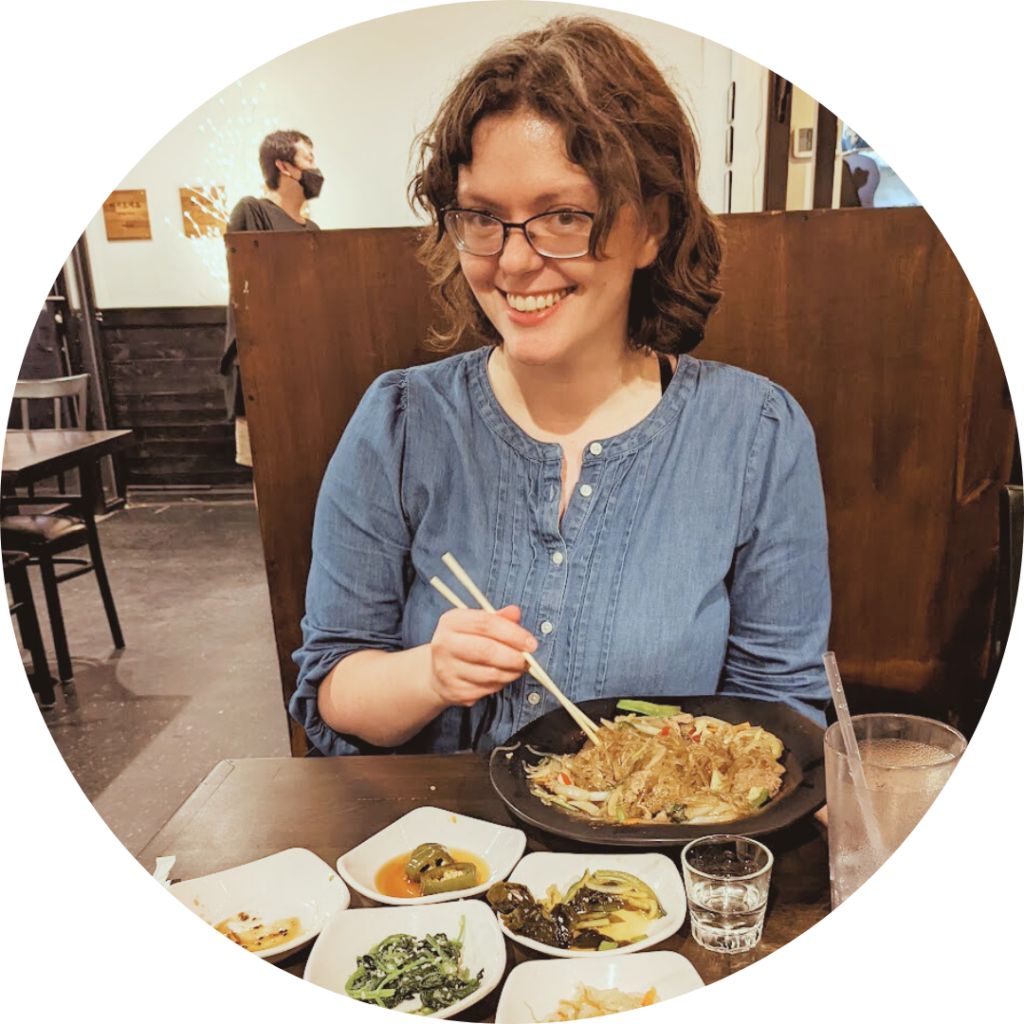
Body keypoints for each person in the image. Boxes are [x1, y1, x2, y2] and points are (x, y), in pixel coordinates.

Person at [290, 17, 832, 757]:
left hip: (664, 864)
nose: (513, 263)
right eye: (483, 217)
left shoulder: (756, 433)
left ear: (652, 228)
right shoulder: (401, 422)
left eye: (566, 215)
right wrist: (430, 673)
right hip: (446, 858)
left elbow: (780, 716)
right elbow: (333, 687)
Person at [219, 130, 324, 471]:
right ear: (284, 166)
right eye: (308, 159)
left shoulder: (313, 230)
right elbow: (247, 288)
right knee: (267, 473)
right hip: (262, 365)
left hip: (306, 361)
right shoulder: (253, 211)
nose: (316, 169)